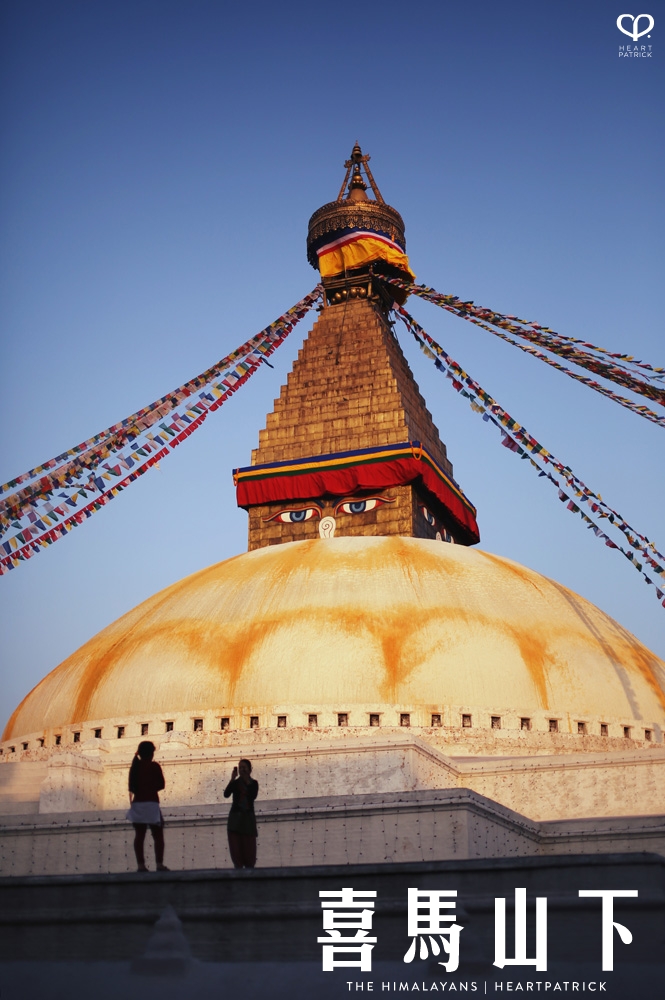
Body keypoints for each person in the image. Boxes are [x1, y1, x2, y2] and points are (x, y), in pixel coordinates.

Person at [127, 740, 169, 872]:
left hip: (138, 803)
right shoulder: (154, 766)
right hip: (151, 802)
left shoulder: (135, 767)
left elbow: (132, 787)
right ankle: (159, 864)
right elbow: (161, 785)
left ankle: (140, 865)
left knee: (139, 835)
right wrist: (151, 788)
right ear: (151, 753)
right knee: (158, 835)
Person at [224, 758, 259, 869]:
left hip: (248, 820)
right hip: (235, 820)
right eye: (240, 768)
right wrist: (232, 779)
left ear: (250, 769)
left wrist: (246, 781)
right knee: (236, 848)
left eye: (244, 768)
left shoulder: (254, 783)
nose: (242, 770)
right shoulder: (235, 783)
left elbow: (253, 796)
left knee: (249, 849)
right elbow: (226, 794)